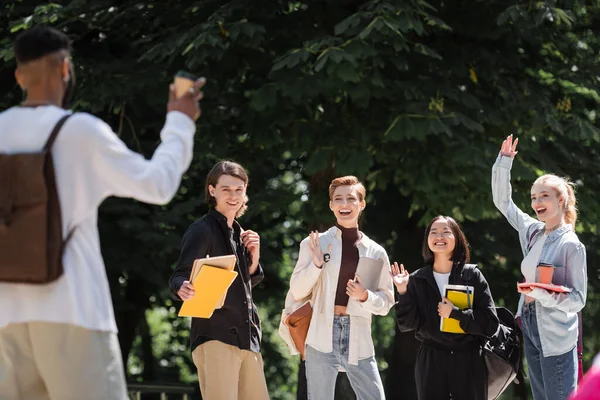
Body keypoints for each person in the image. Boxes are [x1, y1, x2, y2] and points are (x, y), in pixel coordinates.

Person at [0, 25, 204, 400]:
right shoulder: (79, 131)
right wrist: (180, 120)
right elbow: (157, 185)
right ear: (65, 69)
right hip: (73, 309)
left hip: (5, 317)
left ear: (18, 75)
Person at [492, 134, 587, 400]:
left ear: (561, 201)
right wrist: (504, 163)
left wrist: (541, 292)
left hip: (556, 330)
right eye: (534, 197)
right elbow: (504, 204)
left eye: (544, 196)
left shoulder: (571, 244)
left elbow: (578, 300)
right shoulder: (534, 232)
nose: (536, 203)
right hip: (531, 324)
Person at [284, 175, 394, 400]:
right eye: (338, 199)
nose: (345, 204)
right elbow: (296, 291)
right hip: (320, 334)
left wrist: (365, 296)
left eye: (351, 199)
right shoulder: (314, 243)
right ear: (331, 205)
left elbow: (385, 304)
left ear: (361, 204)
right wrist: (316, 265)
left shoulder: (376, 251)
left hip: (358, 335)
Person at [169, 161, 269, 400]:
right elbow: (178, 276)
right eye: (226, 189)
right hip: (215, 336)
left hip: (248, 339)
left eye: (238, 189)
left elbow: (243, 286)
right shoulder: (202, 230)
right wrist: (182, 288)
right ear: (212, 191)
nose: (233, 195)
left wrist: (253, 258)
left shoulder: (240, 233)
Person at [393, 215, 499, 400]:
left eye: (445, 232)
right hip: (431, 361)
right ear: (427, 240)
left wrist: (456, 313)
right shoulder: (418, 279)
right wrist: (403, 291)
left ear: (457, 239)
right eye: (433, 232)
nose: (439, 236)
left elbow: (490, 324)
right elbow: (406, 324)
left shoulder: (472, 275)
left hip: (468, 359)